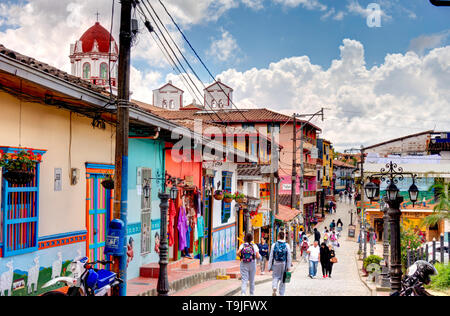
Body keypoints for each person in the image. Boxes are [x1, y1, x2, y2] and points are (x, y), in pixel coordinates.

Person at [268, 231, 292, 296]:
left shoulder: (274, 245)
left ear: (278, 237)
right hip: (283, 264)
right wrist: (288, 267)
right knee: (283, 279)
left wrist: (269, 266)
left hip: (276, 263)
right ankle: (281, 293)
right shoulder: (287, 245)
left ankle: (274, 287)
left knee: (275, 276)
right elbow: (289, 257)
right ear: (283, 237)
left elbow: (271, 256)